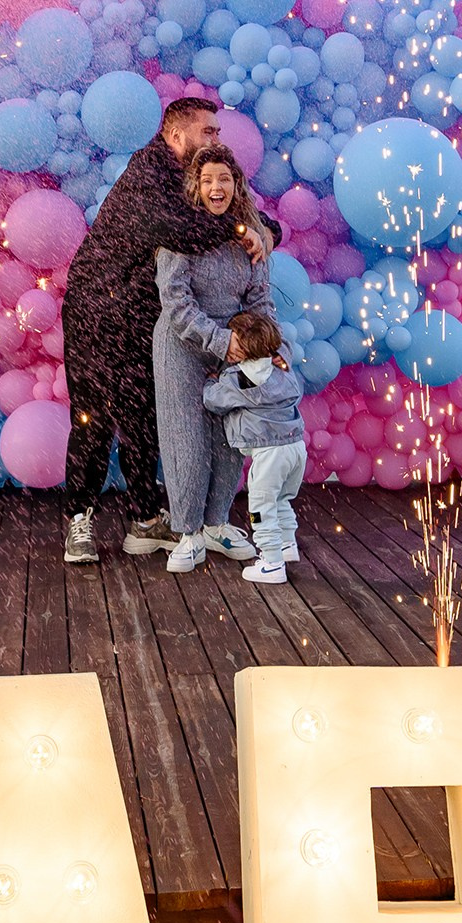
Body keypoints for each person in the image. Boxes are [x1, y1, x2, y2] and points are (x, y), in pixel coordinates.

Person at [58, 97, 273, 563]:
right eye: (208, 131)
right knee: (94, 417)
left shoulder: (196, 176)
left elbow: (240, 214)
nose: (216, 138)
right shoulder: (149, 175)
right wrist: (243, 231)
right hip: (98, 308)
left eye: (217, 132)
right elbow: (182, 232)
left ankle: (144, 519)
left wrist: (261, 231)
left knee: (143, 417)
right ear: (177, 136)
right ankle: (79, 520)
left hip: (142, 314)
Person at [125, 144, 273, 572]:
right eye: (207, 180)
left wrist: (261, 345)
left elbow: (259, 297)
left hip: (237, 343)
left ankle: (216, 524)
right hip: (182, 342)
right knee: (185, 438)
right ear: (195, 187)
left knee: (231, 436)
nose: (216, 187)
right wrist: (219, 340)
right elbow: (175, 300)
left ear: (236, 185)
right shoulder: (180, 235)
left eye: (224, 178)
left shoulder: (249, 236)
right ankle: (188, 532)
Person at [201, 309, 307, 586]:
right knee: (281, 499)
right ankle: (286, 545)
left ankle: (272, 564)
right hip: (296, 446)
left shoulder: (239, 379)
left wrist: (211, 380)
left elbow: (213, 401)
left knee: (260, 506)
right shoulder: (282, 369)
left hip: (269, 454)